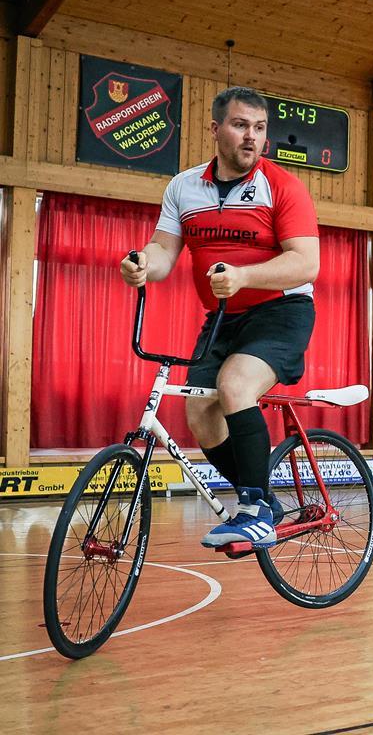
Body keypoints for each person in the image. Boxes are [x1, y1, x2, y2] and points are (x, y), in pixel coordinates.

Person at [120, 86, 320, 549]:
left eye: (260, 128)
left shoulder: (284, 187)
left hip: (283, 311)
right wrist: (142, 265)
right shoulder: (184, 187)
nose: (252, 137)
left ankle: (252, 509)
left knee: (234, 386)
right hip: (223, 317)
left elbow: (306, 263)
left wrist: (245, 276)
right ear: (215, 129)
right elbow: (165, 253)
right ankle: (265, 498)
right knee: (199, 409)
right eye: (240, 125)